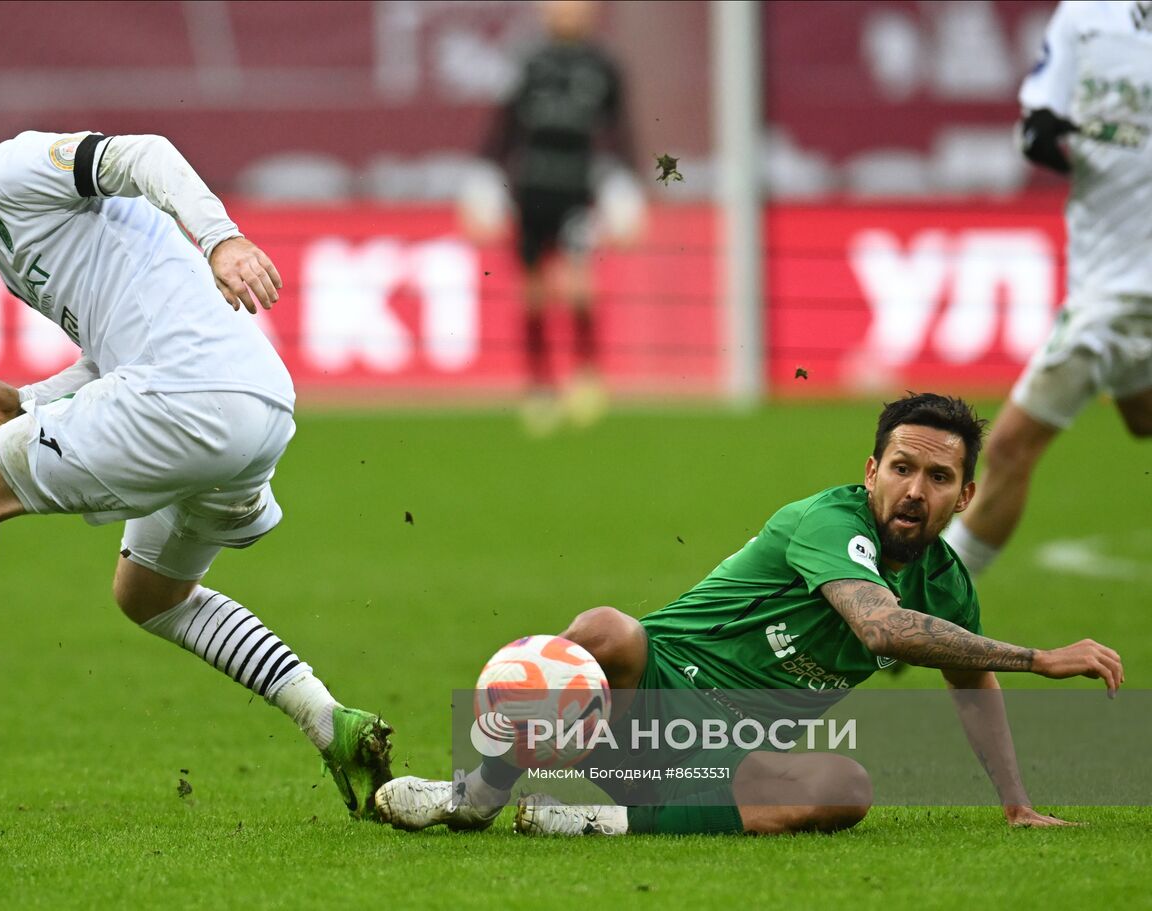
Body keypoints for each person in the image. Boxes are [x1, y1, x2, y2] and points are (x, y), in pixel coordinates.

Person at [0, 85, 394, 820]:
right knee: (148, 595)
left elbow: (145, 154)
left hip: (189, 395)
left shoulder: (11, 170)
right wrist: (30, 402)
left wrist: (222, 238)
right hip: (251, 404)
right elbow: (116, 350)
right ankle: (334, 724)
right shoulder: (4, 235)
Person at [376, 393, 1123, 836]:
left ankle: (592, 823)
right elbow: (877, 626)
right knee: (607, 627)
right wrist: (1038, 657)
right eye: (901, 468)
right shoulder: (828, 522)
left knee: (847, 789)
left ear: (964, 495)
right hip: (636, 704)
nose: (914, 490)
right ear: (871, 471)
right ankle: (478, 792)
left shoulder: (946, 582)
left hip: (725, 752)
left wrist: (1017, 804)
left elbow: (969, 685)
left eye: (938, 476)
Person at [944, 1, 1152, 576]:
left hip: (1123, 295)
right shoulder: (1084, 16)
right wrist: (1042, 134)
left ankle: (926, 603)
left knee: (1010, 447)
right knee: (1142, 415)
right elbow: (1038, 124)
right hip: (1105, 268)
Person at [480, 0, 635, 435]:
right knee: (532, 293)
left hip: (577, 193)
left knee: (580, 286)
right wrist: (484, 178)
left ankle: (586, 377)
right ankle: (540, 387)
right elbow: (503, 128)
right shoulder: (527, 61)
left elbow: (619, 130)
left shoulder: (603, 66)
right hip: (530, 193)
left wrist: (626, 185)